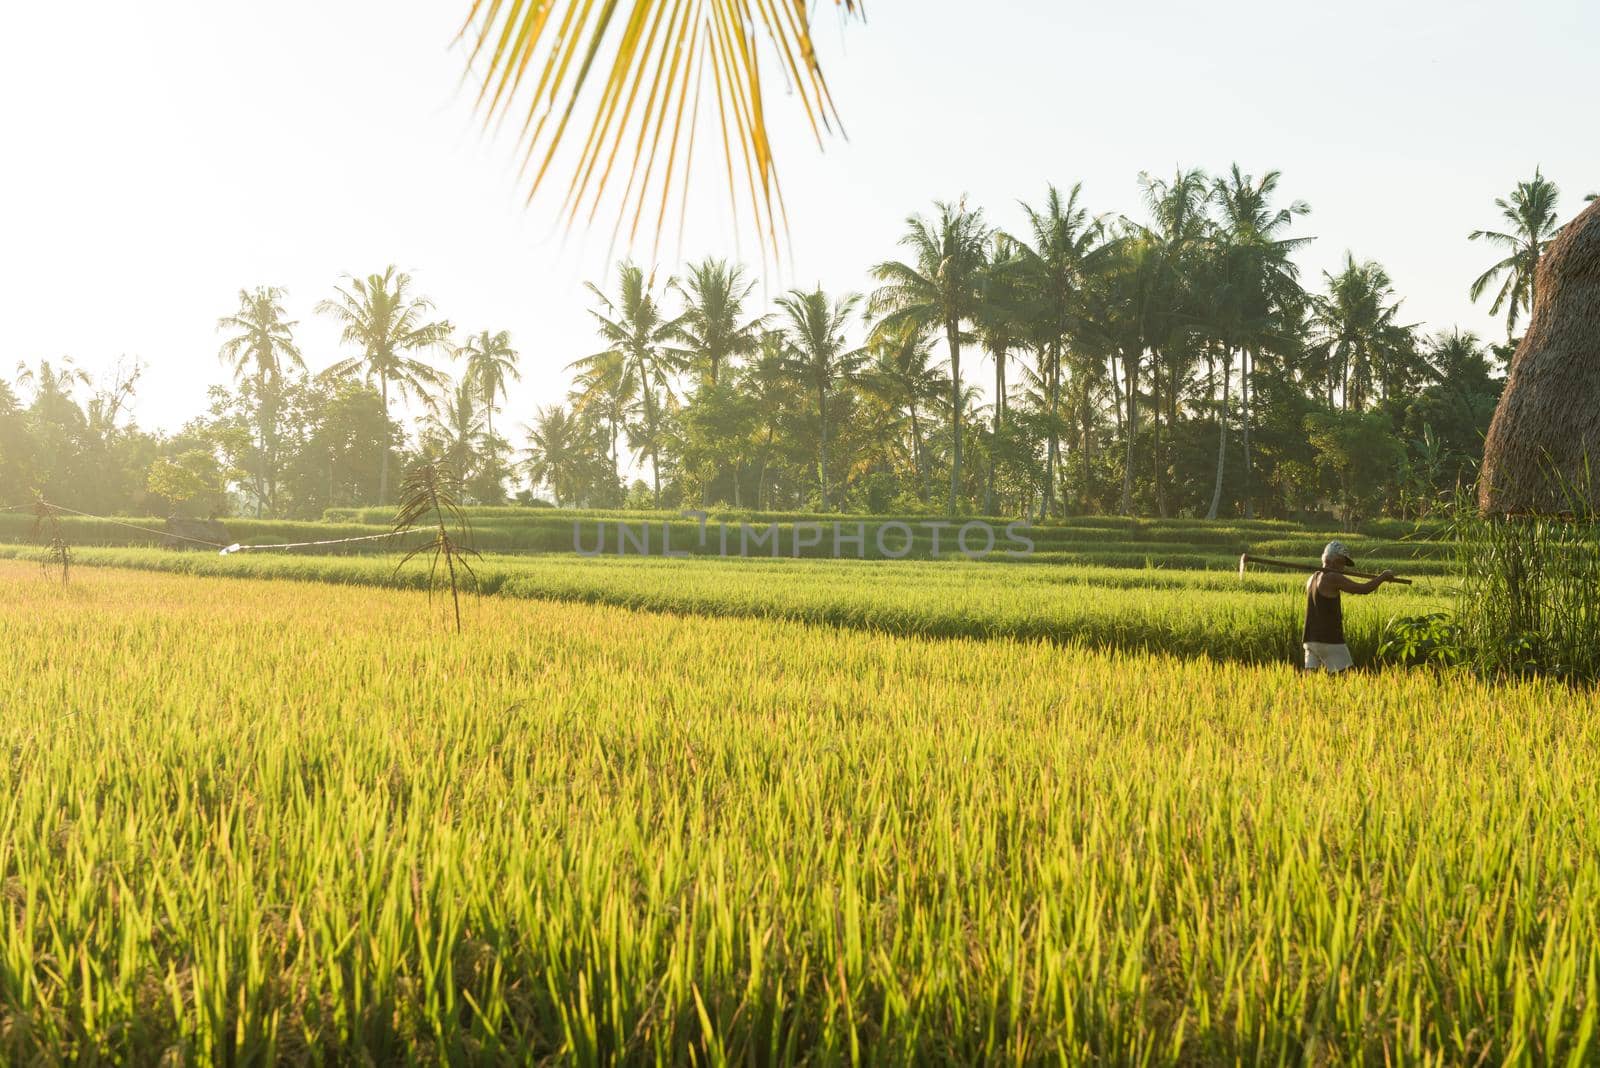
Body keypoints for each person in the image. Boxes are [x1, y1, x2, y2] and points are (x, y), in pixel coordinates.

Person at [1302, 540, 1395, 674]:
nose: (1343, 568)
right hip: (1330, 640)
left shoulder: (1312, 578)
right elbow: (1363, 589)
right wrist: (1383, 576)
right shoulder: (1333, 577)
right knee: (1348, 678)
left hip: (1310, 639)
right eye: (1341, 563)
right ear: (1332, 561)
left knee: (1310, 682)